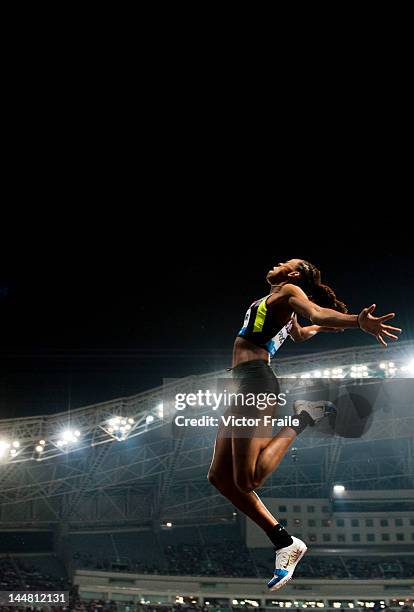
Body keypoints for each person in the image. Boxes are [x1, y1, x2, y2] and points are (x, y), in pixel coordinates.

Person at [207, 259, 401, 591]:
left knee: (249, 478)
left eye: (288, 263)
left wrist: (356, 321)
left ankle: (303, 417)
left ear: (294, 275)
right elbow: (300, 332)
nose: (279, 263)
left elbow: (316, 312)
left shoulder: (289, 292)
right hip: (240, 382)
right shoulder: (277, 305)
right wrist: (323, 328)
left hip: (256, 381)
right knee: (220, 478)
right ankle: (285, 541)